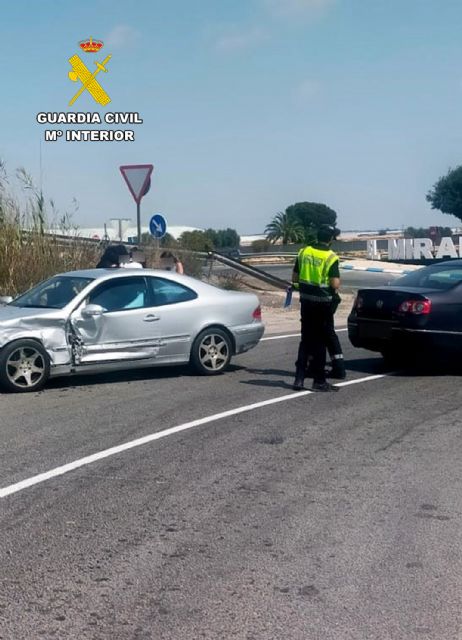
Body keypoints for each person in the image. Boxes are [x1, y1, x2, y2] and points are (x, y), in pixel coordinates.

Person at [291, 225, 342, 392]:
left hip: (306, 302)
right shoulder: (331, 257)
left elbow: (295, 278)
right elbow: (335, 283)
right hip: (323, 303)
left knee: (305, 340)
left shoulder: (303, 252)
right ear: (330, 239)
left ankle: (299, 379)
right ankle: (319, 381)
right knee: (320, 341)